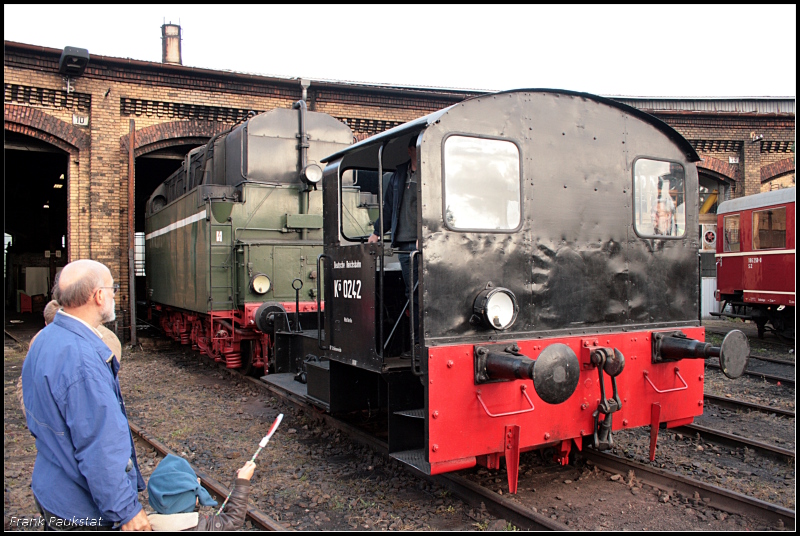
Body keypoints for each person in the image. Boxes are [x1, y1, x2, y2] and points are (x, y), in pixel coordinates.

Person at [21, 259, 151, 531]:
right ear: (98, 295)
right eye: (112, 288)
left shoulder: (45, 339)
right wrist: (126, 511)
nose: (115, 295)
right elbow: (99, 447)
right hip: (79, 508)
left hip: (51, 487)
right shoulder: (82, 361)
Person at [17, 300, 123, 419]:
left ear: (46, 323)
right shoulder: (107, 338)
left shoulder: (39, 340)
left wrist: (34, 416)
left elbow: (26, 381)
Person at [368, 136, 420, 352]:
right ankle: (416, 343)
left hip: (425, 244)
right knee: (412, 294)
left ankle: (422, 343)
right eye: (419, 148)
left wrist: (426, 235)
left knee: (424, 293)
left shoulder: (433, 174)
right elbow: (389, 207)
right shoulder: (398, 176)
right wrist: (377, 232)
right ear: (410, 150)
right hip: (404, 245)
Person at [146, 454, 256, 531]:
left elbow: (178, 512)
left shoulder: (145, 525)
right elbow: (234, 519)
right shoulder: (204, 526)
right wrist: (242, 481)